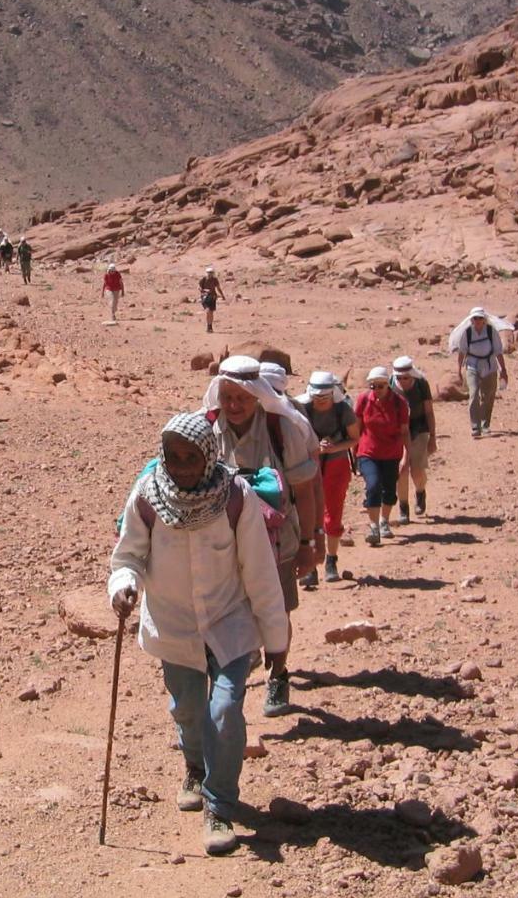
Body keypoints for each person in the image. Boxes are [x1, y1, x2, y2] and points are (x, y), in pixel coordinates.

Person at [109, 412, 288, 857]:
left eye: (192, 457)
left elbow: (260, 571)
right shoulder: (148, 496)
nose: (183, 466)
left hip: (228, 622)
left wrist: (276, 640)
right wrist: (124, 584)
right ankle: (193, 766)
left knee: (225, 712)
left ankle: (219, 805)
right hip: (173, 623)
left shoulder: (235, 497)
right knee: (188, 710)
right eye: (174, 457)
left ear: (209, 455)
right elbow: (127, 555)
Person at [203, 355, 322, 717]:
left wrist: (308, 544)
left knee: (277, 609)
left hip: (278, 542)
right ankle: (221, 694)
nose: (234, 406)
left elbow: (304, 490)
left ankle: (279, 674)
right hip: (223, 546)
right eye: (227, 398)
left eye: (242, 397)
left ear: (257, 396)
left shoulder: (280, 430)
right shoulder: (207, 429)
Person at [294, 371, 360, 586]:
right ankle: (310, 566)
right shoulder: (302, 409)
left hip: (336, 464)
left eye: (325, 397)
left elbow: (354, 438)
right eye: (317, 397)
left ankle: (331, 560)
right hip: (309, 465)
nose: (321, 401)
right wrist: (314, 448)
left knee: (333, 513)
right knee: (309, 514)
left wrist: (333, 448)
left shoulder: (343, 410)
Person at [353, 366, 409, 547]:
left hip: (391, 453)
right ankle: (374, 527)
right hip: (368, 451)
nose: (376, 390)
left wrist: (406, 457)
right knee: (373, 485)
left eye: (380, 386)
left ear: (388, 385)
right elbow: (357, 427)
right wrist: (354, 453)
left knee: (390, 491)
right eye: (373, 386)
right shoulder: (363, 400)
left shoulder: (399, 403)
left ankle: (384, 520)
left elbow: (404, 432)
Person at [451, 306, 510, 438]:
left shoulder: (491, 331)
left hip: (490, 367)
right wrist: (459, 369)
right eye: (475, 318)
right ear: (471, 320)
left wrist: (503, 370)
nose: (477, 320)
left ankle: (485, 425)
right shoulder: (467, 333)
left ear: (484, 319)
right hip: (472, 366)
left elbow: (498, 352)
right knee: (473, 395)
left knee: (488, 396)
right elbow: (462, 352)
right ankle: (475, 427)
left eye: (480, 318)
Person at [391, 356, 436, 523]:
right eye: (399, 378)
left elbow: (429, 412)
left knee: (417, 469)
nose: (402, 381)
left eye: (406, 377)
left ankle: (420, 491)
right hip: (398, 432)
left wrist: (433, 437)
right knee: (401, 470)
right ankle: (403, 507)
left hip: (419, 429)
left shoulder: (421, 384)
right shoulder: (390, 386)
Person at [199, 266, 227, 333]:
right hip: (205, 297)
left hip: (212, 297)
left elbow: (218, 288)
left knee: (211, 312)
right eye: (208, 272)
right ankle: (208, 326)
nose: (210, 274)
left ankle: (210, 326)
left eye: (211, 272)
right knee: (208, 311)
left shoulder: (215, 280)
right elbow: (199, 288)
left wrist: (222, 295)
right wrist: (205, 290)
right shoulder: (203, 279)